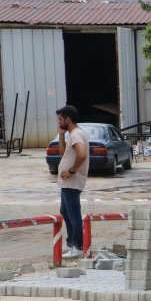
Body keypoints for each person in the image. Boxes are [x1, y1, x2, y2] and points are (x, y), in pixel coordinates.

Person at [56, 105, 89, 260]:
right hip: (67, 182)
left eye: (60, 119)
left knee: (73, 215)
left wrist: (71, 171)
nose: (59, 122)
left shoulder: (76, 134)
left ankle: (78, 246)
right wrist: (61, 135)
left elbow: (82, 154)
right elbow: (63, 154)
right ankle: (71, 243)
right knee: (65, 211)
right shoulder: (72, 134)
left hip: (72, 181)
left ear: (68, 119)